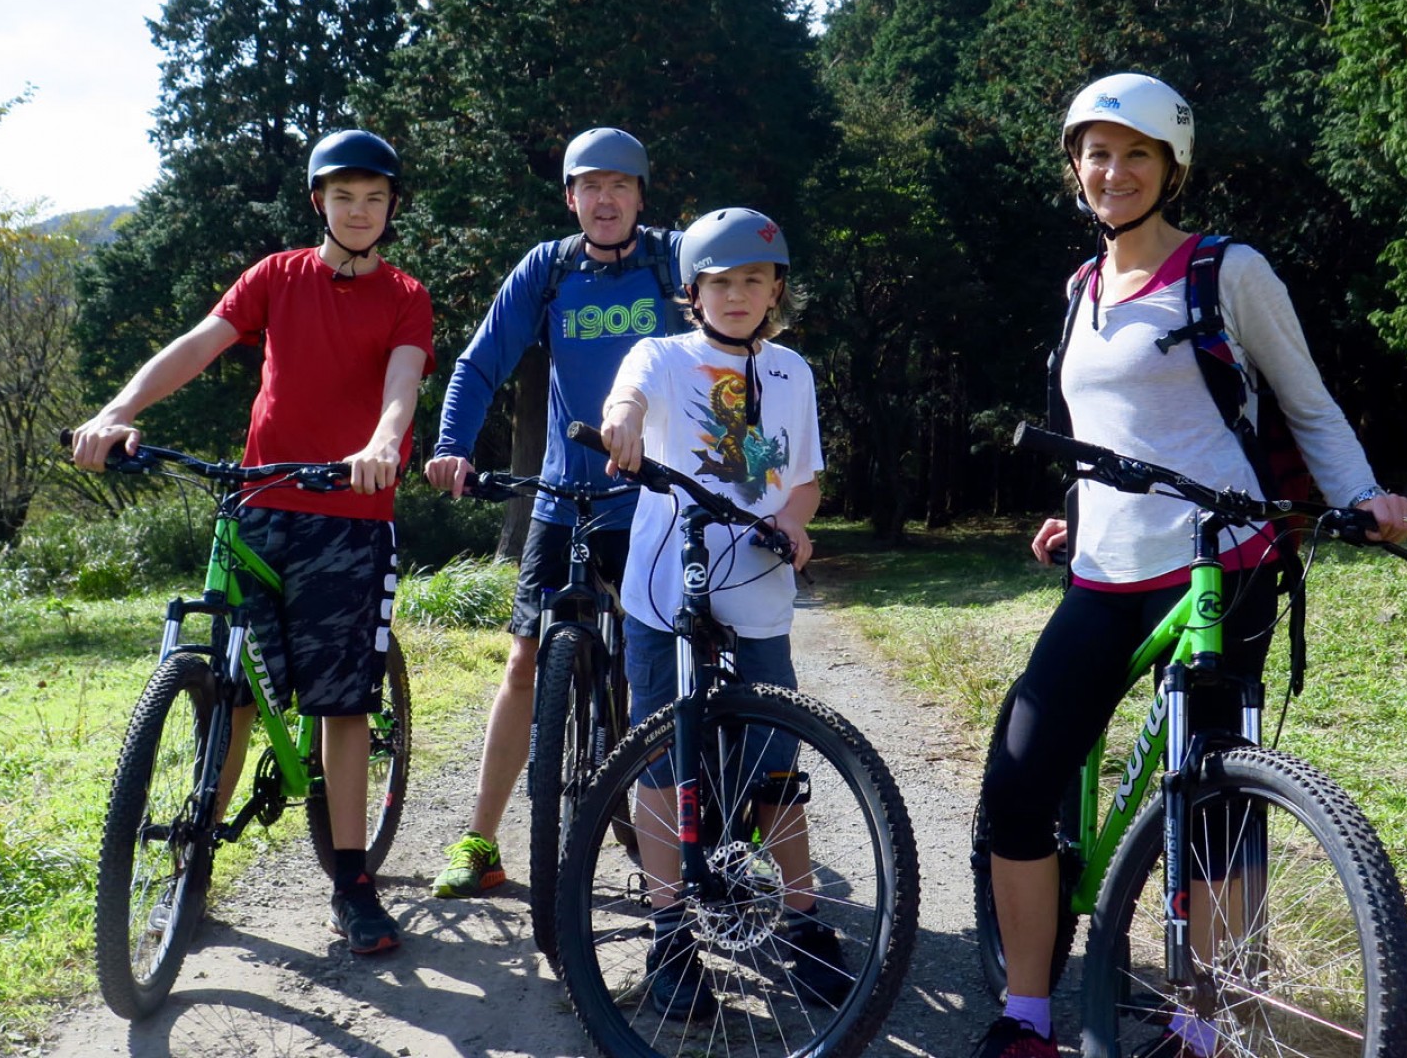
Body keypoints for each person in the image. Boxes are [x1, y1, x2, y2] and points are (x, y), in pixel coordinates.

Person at [974, 74, 1407, 1057]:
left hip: (1224, 562)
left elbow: (1306, 404)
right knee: (1018, 783)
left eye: (1136, 154)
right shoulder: (1080, 290)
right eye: (1097, 152)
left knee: (1214, 804)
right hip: (1102, 570)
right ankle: (1027, 1015)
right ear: (1075, 168)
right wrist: (1073, 514)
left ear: (1171, 167)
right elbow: (1103, 435)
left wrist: (1362, 499)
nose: (1114, 171)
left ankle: (1205, 1029)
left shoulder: (1227, 271)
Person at [72, 129, 432, 956]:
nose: (360, 211)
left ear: (391, 207)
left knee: (342, 706)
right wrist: (120, 411)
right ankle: (189, 876)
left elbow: (402, 383)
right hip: (261, 503)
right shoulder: (276, 276)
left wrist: (383, 446)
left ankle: (351, 882)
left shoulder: (405, 294)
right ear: (320, 202)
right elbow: (201, 343)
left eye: (375, 198)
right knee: (228, 690)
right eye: (344, 196)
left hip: (350, 513)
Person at [597, 206, 849, 1018]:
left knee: (779, 758)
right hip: (665, 589)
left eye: (752, 281)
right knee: (663, 763)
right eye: (719, 282)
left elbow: (802, 477)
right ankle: (670, 933)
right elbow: (628, 398)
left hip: (758, 589)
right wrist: (622, 424)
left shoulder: (792, 373)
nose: (736, 295)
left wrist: (796, 521)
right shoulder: (663, 355)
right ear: (692, 290)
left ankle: (801, 917)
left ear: (775, 289)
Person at [423, 127, 686, 899]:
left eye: (620, 186)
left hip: (656, 498)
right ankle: (480, 838)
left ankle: (689, 836)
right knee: (525, 660)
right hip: (565, 493)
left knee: (664, 665)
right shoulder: (549, 268)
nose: (605, 200)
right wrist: (452, 444)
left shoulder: (673, 262)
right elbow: (481, 358)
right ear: (571, 198)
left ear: (641, 196)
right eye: (589, 187)